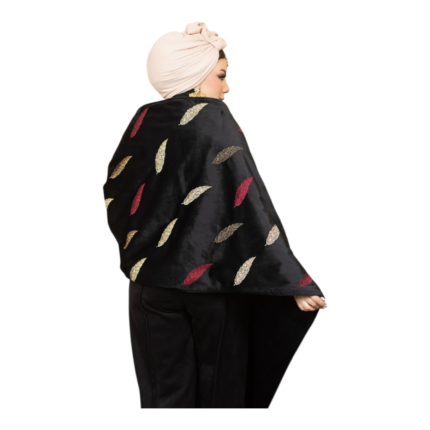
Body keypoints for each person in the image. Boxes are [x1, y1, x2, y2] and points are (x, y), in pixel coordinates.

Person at [103, 21, 328, 408]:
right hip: (212, 285)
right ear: (194, 77)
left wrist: (147, 254)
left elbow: (118, 192)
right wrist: (291, 279)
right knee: (221, 400)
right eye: (221, 76)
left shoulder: (143, 120)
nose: (226, 88)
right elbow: (246, 196)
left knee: (162, 399)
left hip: (149, 287)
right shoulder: (213, 117)